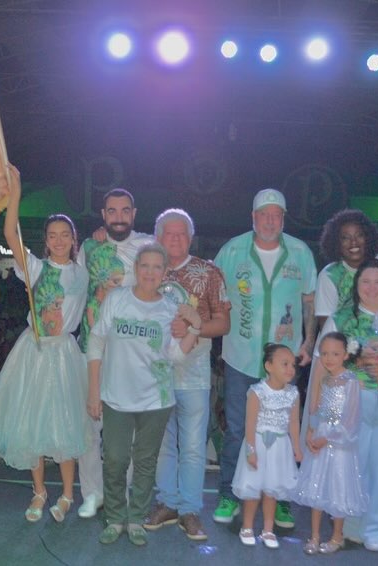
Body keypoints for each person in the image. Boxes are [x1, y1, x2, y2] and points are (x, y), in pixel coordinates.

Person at [0, 165, 92, 522]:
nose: (59, 240)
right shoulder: (36, 268)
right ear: (46, 240)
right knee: (32, 423)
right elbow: (10, 234)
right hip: (34, 351)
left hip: (64, 354)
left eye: (65, 235)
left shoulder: (82, 273)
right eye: (53, 235)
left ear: (74, 239)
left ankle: (68, 494)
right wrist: (15, 193)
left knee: (65, 424)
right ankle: (40, 491)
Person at [214, 188, 317, 529]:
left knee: (285, 432)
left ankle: (282, 499)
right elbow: (215, 297)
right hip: (241, 359)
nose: (270, 221)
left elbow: (308, 302)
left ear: (283, 219)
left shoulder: (300, 253)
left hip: (285, 365)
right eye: (264, 214)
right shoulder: (231, 251)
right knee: (238, 431)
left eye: (277, 215)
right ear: (253, 217)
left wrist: (309, 341)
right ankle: (230, 494)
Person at [87, 242, 202, 546]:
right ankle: (114, 518)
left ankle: (136, 518)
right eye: (144, 266)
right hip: (115, 396)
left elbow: (175, 357)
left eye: (156, 267)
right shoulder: (117, 299)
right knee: (114, 459)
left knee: (146, 461)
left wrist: (196, 326)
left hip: (156, 399)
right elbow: (96, 343)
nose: (150, 272)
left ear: (165, 273)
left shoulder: (170, 309)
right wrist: (93, 390)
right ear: (136, 269)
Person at [144, 209, 231, 541]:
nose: (175, 239)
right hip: (156, 373)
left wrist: (194, 325)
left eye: (182, 233)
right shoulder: (149, 272)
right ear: (158, 237)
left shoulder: (208, 272)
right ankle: (167, 503)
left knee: (193, 445)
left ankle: (191, 510)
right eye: (169, 233)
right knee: (164, 444)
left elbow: (223, 323)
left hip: (194, 373)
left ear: (190, 237)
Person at [318, 257, 378, 551]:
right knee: (351, 466)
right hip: (352, 405)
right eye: (365, 281)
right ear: (357, 286)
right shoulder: (340, 318)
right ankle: (350, 526)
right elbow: (323, 364)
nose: (372, 288)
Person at [75, 188, 151, 518]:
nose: (118, 217)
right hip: (92, 349)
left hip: (133, 355)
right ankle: (92, 494)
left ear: (134, 213)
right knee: (89, 427)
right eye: (111, 211)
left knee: (128, 433)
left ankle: (119, 493)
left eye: (124, 211)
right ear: (103, 215)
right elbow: (75, 289)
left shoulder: (149, 246)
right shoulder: (90, 247)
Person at [295, 332, 367, 555]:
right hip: (321, 437)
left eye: (335, 353)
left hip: (339, 443)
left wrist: (329, 438)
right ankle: (315, 536)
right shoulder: (325, 379)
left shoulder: (351, 381)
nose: (329, 358)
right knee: (316, 487)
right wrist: (311, 431)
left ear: (346, 355)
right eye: (324, 353)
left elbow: (351, 419)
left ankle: (337, 536)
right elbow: (316, 409)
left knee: (338, 489)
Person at [232, 343, 302, 549]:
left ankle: (268, 529)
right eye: (285, 364)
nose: (290, 369)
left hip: (280, 447)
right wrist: (251, 450)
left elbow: (293, 422)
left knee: (271, 490)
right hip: (259, 444)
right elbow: (250, 423)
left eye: (293, 365)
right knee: (253, 489)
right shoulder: (257, 391)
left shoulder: (293, 393)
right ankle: (247, 527)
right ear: (269, 366)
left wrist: (297, 447)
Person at [315, 208, 378, 327]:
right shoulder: (329, 274)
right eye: (345, 238)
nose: (353, 242)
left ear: (368, 237)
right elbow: (325, 321)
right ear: (336, 242)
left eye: (359, 235)